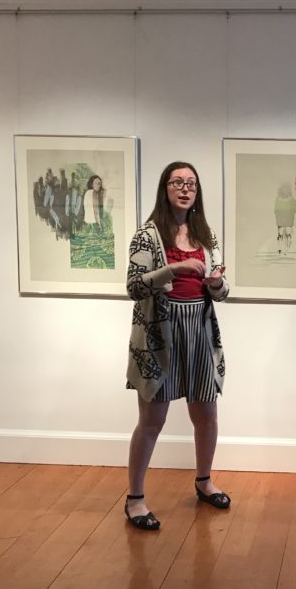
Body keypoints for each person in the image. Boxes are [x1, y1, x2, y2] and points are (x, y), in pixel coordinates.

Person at [123, 161, 230, 531]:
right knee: (152, 420)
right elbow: (134, 287)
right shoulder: (147, 235)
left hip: (199, 331)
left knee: (206, 415)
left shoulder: (205, 236)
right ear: (165, 188)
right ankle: (135, 499)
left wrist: (216, 283)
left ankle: (204, 481)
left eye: (191, 184)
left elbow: (222, 291)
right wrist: (174, 270)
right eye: (178, 182)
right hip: (160, 336)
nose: (185, 189)